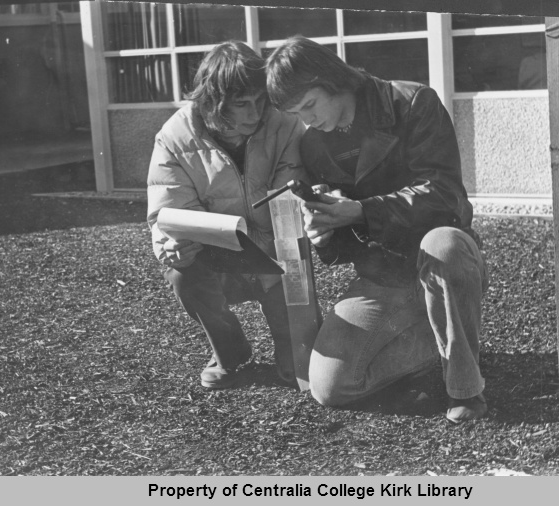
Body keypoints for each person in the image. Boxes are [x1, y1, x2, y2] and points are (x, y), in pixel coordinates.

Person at [266, 36, 489, 423]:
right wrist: (325, 231)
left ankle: (465, 388)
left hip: (441, 259)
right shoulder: (315, 144)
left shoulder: (412, 102)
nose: (308, 121)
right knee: (331, 386)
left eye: (310, 105)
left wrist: (360, 210)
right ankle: (443, 339)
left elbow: (445, 195)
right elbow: (345, 249)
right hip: (383, 275)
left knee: (444, 244)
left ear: (333, 81)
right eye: (297, 113)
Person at [147, 41, 307, 390]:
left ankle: (290, 346)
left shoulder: (286, 125)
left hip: (277, 250)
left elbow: (289, 205)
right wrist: (172, 246)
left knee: (303, 365)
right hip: (218, 257)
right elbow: (167, 212)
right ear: (213, 102)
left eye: (259, 100)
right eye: (241, 104)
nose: (255, 113)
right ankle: (231, 354)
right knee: (180, 271)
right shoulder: (175, 137)